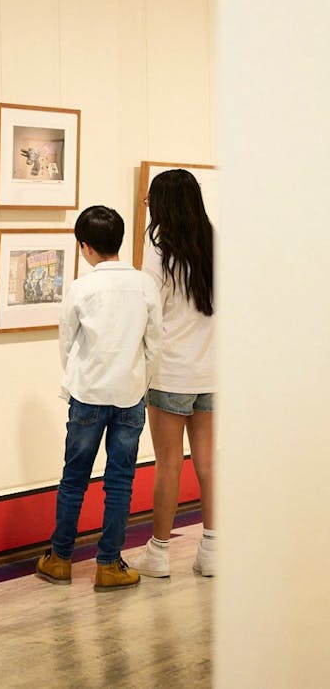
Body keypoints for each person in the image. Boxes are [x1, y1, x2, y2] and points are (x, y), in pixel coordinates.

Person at [36, 205, 162, 591]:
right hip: (129, 396)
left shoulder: (81, 287)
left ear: (85, 247)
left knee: (74, 479)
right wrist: (142, 383)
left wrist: (77, 379)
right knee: (120, 481)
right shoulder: (144, 285)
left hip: (88, 394)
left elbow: (67, 344)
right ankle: (109, 564)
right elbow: (154, 344)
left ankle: (59, 559)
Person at [129, 169, 216, 579]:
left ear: (162, 204)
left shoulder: (158, 246)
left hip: (171, 373)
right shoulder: (217, 242)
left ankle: (159, 554)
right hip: (213, 370)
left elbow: (149, 310)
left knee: (167, 464)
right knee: (208, 463)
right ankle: (213, 551)